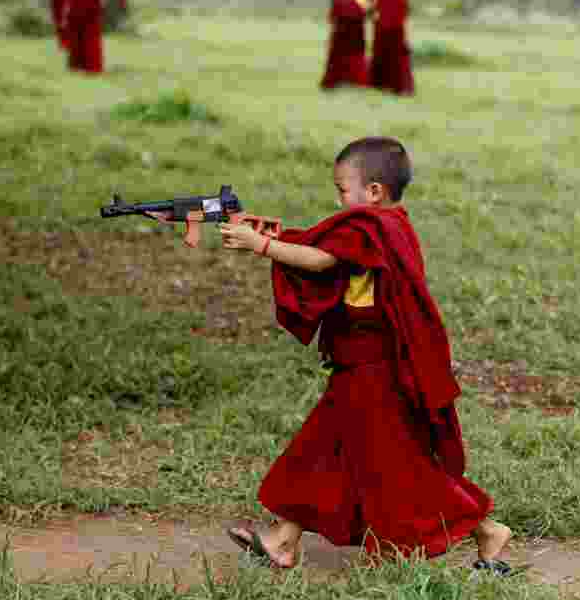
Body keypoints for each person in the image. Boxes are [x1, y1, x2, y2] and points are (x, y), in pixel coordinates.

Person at [217, 137, 513, 574]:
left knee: (401, 465)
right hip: (360, 361)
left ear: (373, 191)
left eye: (342, 189)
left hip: (377, 369)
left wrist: (260, 246)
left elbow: (319, 260)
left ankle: (486, 529)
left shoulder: (371, 227)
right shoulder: (386, 226)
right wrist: (274, 237)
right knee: (322, 449)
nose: (339, 199)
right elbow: (326, 253)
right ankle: (282, 539)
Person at [50, 0, 104, 74]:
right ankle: (92, 68)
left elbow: (56, 1)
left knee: (75, 42)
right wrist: (98, 12)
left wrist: (58, 19)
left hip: (74, 15)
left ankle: (76, 66)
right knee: (90, 42)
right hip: (90, 16)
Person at [320, 0, 370, 90]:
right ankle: (360, 80)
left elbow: (332, 16)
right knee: (357, 57)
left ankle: (335, 81)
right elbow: (369, 12)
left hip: (340, 31)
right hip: (357, 31)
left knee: (337, 57)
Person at [368, 0, 415, 96]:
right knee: (398, 57)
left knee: (381, 56)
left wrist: (373, 17)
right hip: (397, 28)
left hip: (381, 27)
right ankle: (401, 86)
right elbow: (405, 7)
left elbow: (370, 5)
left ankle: (380, 84)